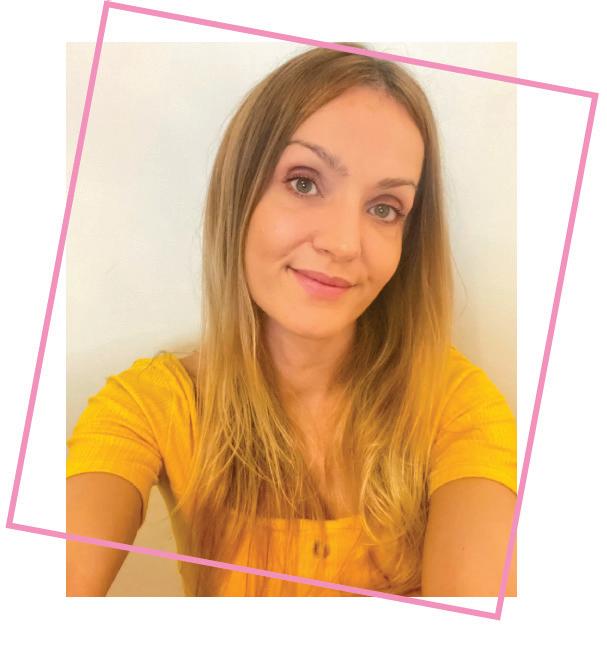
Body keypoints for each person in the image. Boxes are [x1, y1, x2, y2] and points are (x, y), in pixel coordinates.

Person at [66, 43, 517, 597]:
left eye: (385, 208)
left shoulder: (455, 404)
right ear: (240, 193)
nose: (344, 243)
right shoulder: (152, 407)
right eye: (304, 182)